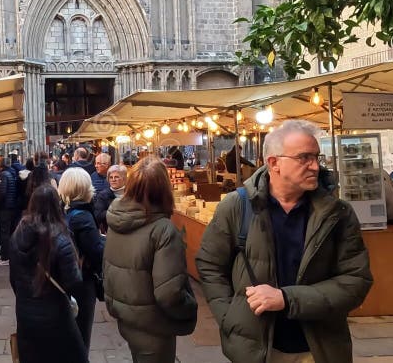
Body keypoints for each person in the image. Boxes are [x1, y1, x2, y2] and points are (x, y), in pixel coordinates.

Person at [196, 120, 373, 363]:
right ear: (274, 163)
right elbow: (210, 265)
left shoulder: (337, 213)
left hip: (318, 349)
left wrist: (287, 299)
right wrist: (231, 316)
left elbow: (356, 281)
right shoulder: (237, 206)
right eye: (304, 158)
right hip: (256, 350)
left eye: (316, 157)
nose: (315, 166)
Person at [104, 156, 198, 362]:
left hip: (127, 318)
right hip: (153, 326)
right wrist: (190, 307)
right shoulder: (163, 230)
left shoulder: (117, 217)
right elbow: (169, 293)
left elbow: (109, 270)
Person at [9, 184, 87, 363]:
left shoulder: (17, 235)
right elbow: (73, 281)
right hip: (56, 316)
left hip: (25, 314)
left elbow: (14, 279)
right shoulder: (61, 238)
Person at [58, 168, 104, 351]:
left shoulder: (63, 210)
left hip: (65, 280)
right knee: (81, 336)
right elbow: (96, 252)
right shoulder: (82, 216)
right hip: (82, 281)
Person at [0, 156, 19, 266]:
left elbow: (2, 193)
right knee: (9, 232)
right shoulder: (12, 173)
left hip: (4, 208)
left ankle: (5, 258)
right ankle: (10, 256)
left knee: (4, 233)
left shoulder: (3, 175)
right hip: (11, 206)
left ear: (1, 164)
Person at [93, 164, 127, 233]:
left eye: (116, 177)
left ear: (124, 178)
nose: (113, 180)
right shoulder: (103, 195)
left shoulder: (131, 193)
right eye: (111, 177)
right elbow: (98, 215)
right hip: (111, 231)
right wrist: (116, 211)